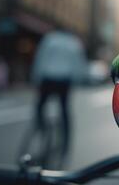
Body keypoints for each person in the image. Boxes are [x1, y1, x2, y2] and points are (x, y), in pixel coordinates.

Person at [31, 28, 87, 156]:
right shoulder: (74, 42)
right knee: (64, 110)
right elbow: (78, 63)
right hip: (64, 80)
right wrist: (77, 80)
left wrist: (36, 77)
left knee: (40, 105)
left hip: (48, 77)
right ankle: (66, 139)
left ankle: (42, 126)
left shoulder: (50, 38)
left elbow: (40, 58)